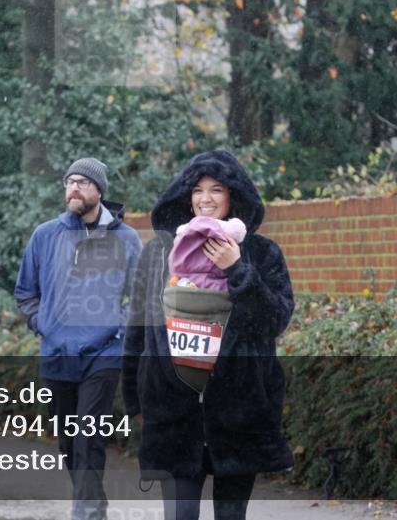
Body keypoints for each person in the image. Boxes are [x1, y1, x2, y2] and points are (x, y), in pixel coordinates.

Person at [122, 150, 295, 520]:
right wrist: (134, 400)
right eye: (197, 190)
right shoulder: (158, 253)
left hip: (238, 415)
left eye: (216, 189)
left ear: (234, 195)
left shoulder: (262, 253)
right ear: (186, 197)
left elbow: (274, 319)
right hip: (173, 414)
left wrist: (237, 269)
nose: (206, 199)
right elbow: (137, 326)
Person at [15, 157, 143, 520]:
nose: (73, 188)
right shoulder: (45, 235)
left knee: (88, 435)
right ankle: (93, 503)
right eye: (69, 182)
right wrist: (43, 323)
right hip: (57, 353)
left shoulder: (126, 239)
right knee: (69, 441)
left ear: (99, 191)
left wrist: (119, 327)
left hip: (104, 354)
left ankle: (85, 513)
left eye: (82, 182)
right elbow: (25, 291)